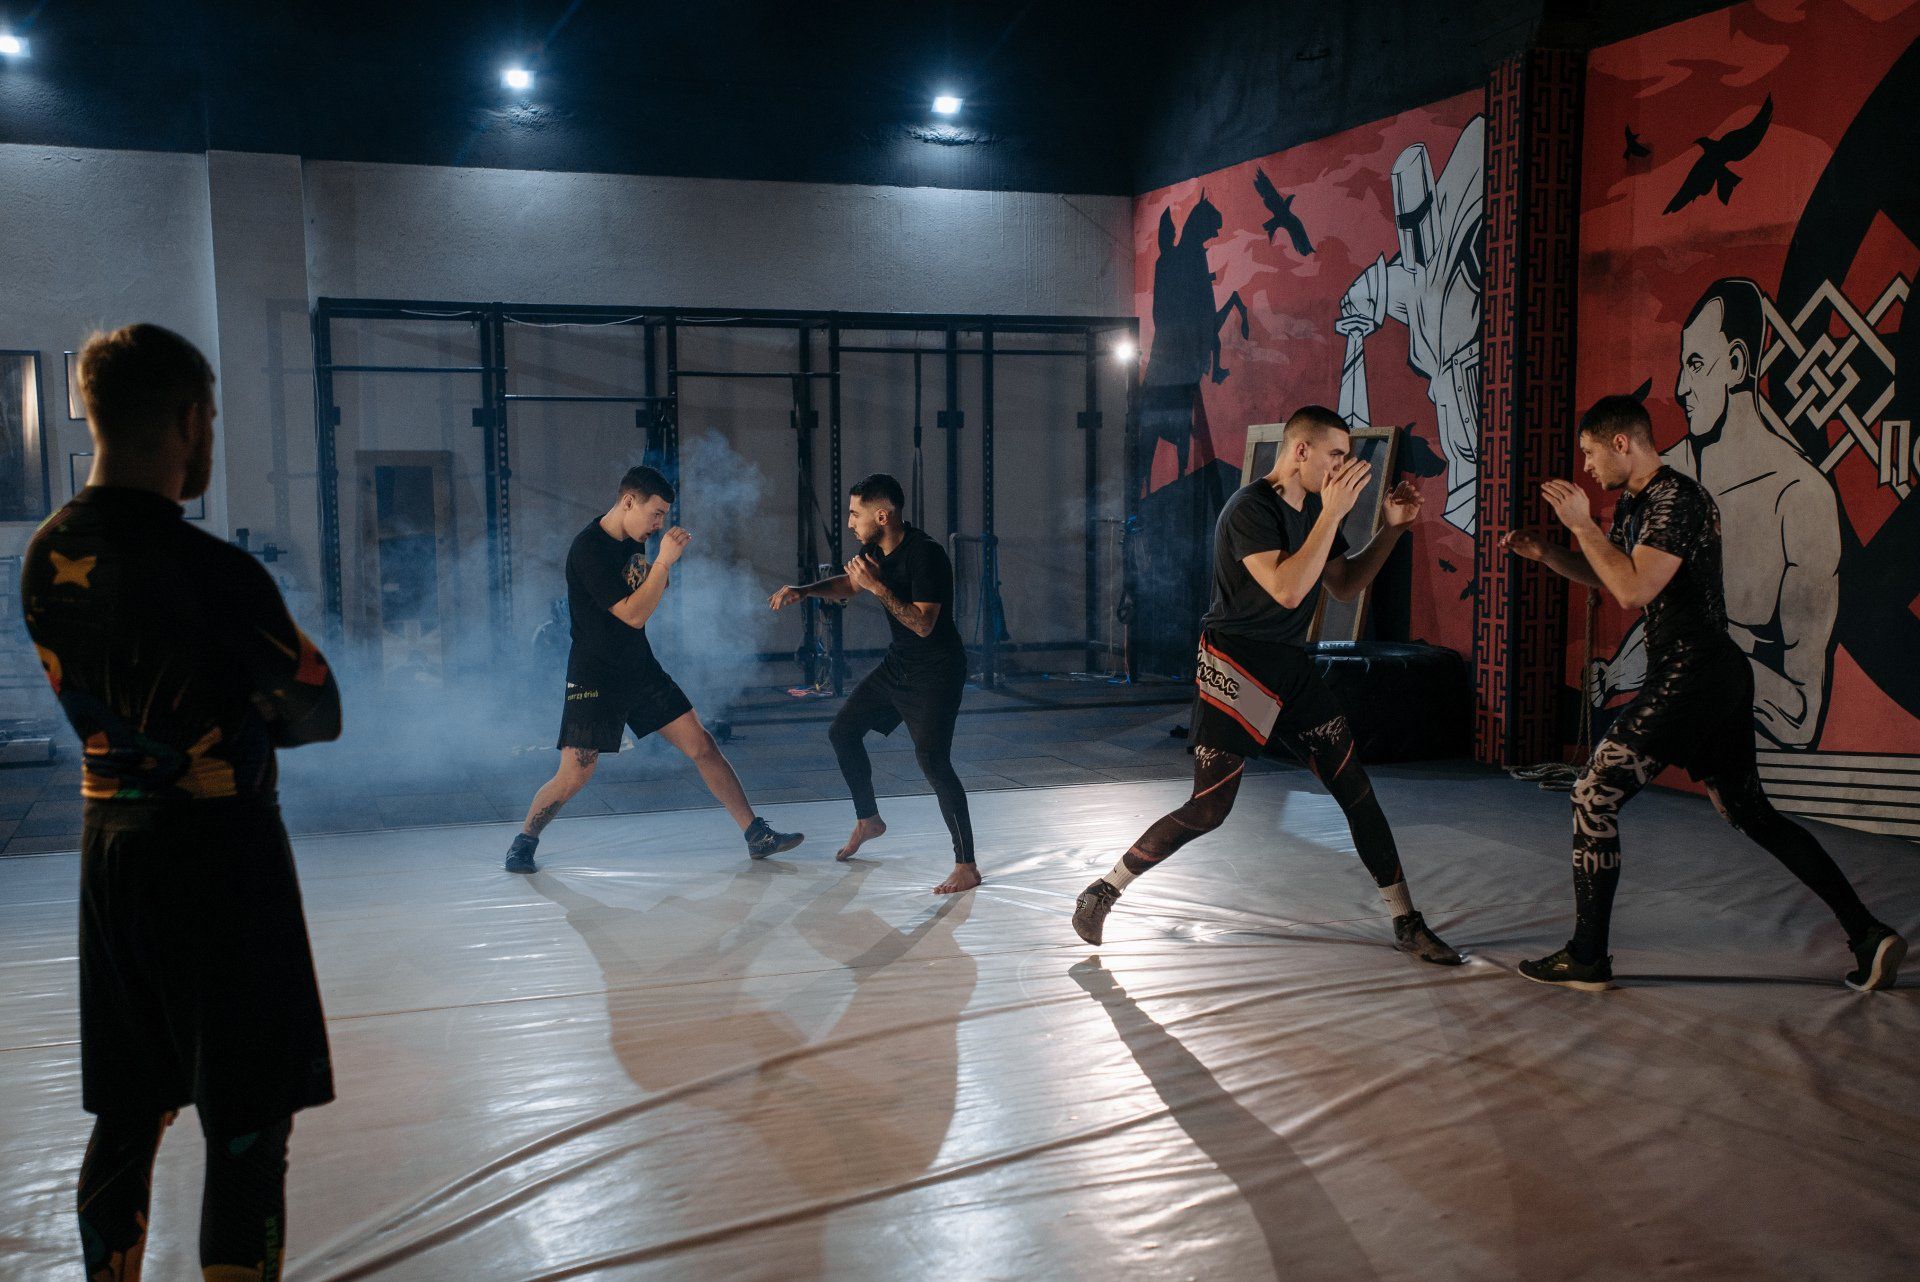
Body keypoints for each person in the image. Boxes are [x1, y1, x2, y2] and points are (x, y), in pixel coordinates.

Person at [22, 323, 340, 1281]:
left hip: (109, 849)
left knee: (129, 1107)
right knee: (246, 1126)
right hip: (219, 859)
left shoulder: (44, 555)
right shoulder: (217, 572)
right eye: (209, 418)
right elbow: (318, 712)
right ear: (188, 419)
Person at [1504, 394, 1903, 991]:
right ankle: (1869, 934)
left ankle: (1587, 957)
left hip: (1692, 675)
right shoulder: (1638, 502)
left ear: (1622, 443)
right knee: (1749, 812)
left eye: (1590, 453)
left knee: (1593, 795)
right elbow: (1612, 571)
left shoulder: (1675, 498)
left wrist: (1582, 522)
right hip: (1708, 675)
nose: (1587, 467)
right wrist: (1553, 552)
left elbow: (1634, 589)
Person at [1072, 405, 1460, 964]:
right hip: (1235, 662)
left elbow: (1345, 586)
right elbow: (1285, 590)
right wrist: (1332, 516)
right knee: (1210, 807)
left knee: (1357, 791)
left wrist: (1392, 531)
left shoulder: (1315, 511)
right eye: (1334, 455)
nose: (1341, 468)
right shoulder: (1248, 509)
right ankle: (1103, 889)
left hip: (1288, 663)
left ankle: (1407, 921)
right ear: (1300, 451)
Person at [503, 466, 801, 872]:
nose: (659, 524)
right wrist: (663, 565)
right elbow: (633, 615)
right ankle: (525, 840)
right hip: (596, 676)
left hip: (639, 669)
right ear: (629, 502)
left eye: (663, 516)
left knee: (702, 745)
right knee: (576, 774)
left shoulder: (634, 541)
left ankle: (756, 834)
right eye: (656, 513)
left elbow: (644, 596)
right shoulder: (588, 548)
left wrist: (657, 572)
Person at [770, 474, 979, 895]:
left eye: (855, 513)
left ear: (881, 515)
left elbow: (923, 624)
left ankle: (967, 865)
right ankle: (869, 819)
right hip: (898, 666)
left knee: (933, 763)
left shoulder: (927, 556)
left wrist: (877, 586)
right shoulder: (875, 548)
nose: (850, 522)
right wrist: (804, 591)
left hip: (936, 673)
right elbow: (850, 584)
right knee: (842, 731)